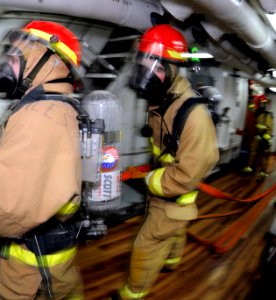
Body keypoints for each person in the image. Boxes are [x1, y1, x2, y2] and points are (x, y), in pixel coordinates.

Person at [0, 20, 84, 299]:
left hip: (32, 269)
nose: (8, 66)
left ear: (47, 60)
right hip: (50, 257)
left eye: (15, 58)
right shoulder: (60, 107)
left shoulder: (40, 116)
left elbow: (1, 209)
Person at [115, 24, 219, 299]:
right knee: (174, 230)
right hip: (167, 192)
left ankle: (132, 292)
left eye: (156, 66)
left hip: (174, 194)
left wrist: (151, 179)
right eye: (144, 65)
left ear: (173, 69)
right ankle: (172, 261)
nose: (147, 74)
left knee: (146, 244)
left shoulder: (193, 116)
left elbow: (190, 171)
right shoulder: (161, 100)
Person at [242, 95, 273, 179]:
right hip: (257, 137)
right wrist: (252, 101)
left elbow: (269, 127)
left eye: (263, 103)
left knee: (263, 155)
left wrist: (266, 137)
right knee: (253, 152)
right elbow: (252, 109)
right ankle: (250, 168)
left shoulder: (267, 115)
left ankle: (262, 172)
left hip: (264, 138)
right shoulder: (258, 112)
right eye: (260, 103)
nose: (262, 105)